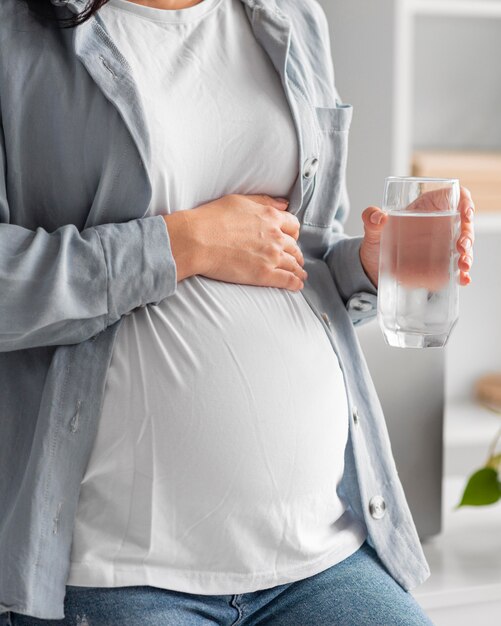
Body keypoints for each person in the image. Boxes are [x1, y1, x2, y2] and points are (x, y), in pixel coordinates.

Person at [0, 0, 475, 624]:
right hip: (121, 571)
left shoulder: (292, 18)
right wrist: (185, 243)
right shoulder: (16, 33)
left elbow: (299, 253)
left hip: (322, 552)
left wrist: (368, 264)